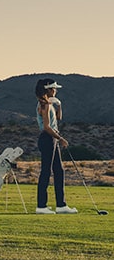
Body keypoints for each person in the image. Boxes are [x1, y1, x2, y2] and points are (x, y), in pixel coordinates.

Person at [34, 78, 77, 214]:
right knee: (46, 172)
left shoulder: (50, 104)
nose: (56, 90)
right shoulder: (44, 105)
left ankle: (61, 205)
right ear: (48, 89)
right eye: (54, 88)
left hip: (52, 139)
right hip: (48, 138)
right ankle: (41, 206)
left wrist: (59, 106)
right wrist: (61, 138)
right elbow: (47, 127)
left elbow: (58, 119)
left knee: (59, 171)